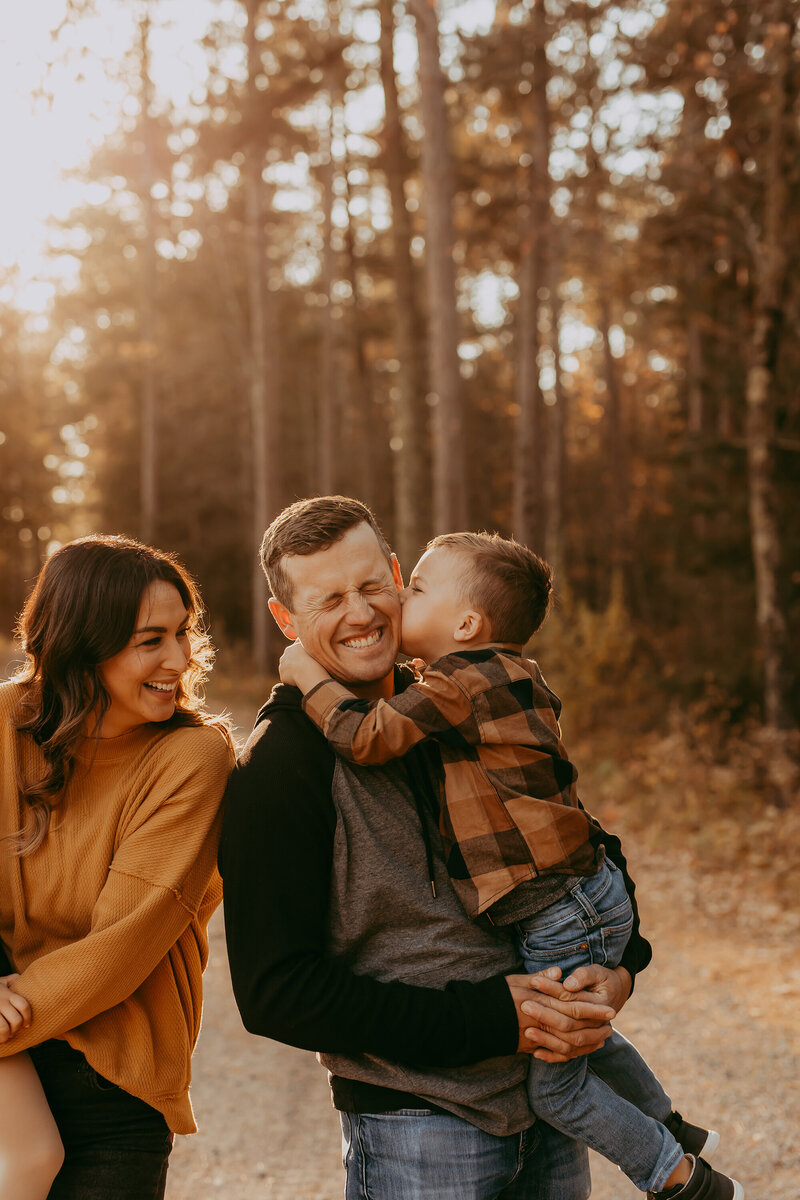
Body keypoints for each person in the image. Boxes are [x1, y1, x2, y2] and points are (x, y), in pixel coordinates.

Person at [279, 529, 743, 1200]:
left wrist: (305, 673)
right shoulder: (511, 674)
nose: (396, 603)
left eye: (413, 588)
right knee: (584, 1033)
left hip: (558, 909)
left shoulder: (459, 683)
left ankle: (675, 1174)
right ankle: (668, 1121)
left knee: (559, 1089)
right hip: (589, 891)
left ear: (465, 623)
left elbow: (365, 736)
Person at [220, 495, 653, 1200]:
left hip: (547, 1108)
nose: (360, 614)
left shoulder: (460, 699)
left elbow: (579, 843)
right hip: (419, 1128)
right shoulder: (279, 768)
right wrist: (488, 1019)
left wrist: (623, 968)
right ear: (287, 621)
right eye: (329, 599)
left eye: (370, 586)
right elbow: (275, 994)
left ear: (399, 576)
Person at [0, 534, 235, 1199]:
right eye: (149, 640)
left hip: (109, 1082)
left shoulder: (193, 757)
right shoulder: (5, 724)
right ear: (83, 643)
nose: (180, 658)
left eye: (181, 633)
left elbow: (121, 944)